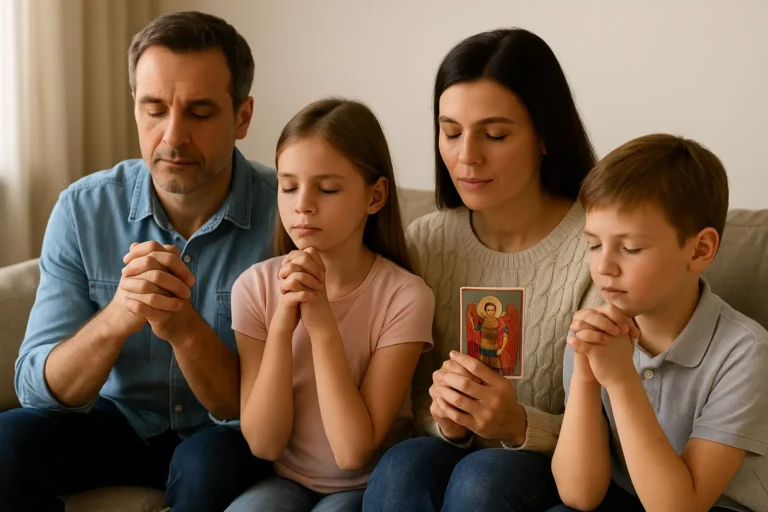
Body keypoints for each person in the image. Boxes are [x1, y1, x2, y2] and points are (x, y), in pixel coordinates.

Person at [0, 11, 277, 511]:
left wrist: (186, 328)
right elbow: (36, 389)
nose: (172, 135)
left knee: (206, 465)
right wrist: (115, 320)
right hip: (117, 422)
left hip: (225, 432)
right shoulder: (83, 209)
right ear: (134, 107)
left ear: (242, 116)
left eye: (199, 112)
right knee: (7, 440)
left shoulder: (287, 215)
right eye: (154, 108)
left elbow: (265, 407)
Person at [364, 28, 603, 511]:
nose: (465, 156)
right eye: (450, 132)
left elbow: (616, 431)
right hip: (444, 457)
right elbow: (402, 401)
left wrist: (517, 424)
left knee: (483, 476)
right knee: (401, 467)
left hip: (549, 469)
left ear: (545, 137)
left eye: (495, 135)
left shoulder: (598, 248)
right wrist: (445, 420)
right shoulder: (426, 241)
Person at [225, 98, 434, 512]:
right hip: (283, 480)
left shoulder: (405, 297)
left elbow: (353, 453)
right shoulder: (253, 287)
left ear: (375, 197)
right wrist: (283, 324)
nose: (302, 204)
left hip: (363, 486)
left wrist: (321, 325)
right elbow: (264, 443)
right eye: (288, 186)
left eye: (328, 188)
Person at [551, 134, 768, 512]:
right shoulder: (595, 334)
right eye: (594, 244)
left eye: (630, 248)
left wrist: (620, 380)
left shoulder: (746, 353)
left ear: (700, 249)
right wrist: (587, 375)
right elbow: (578, 494)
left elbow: (678, 508)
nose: (603, 267)